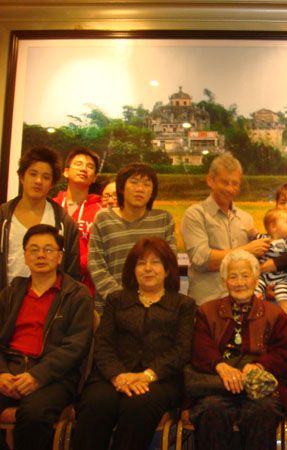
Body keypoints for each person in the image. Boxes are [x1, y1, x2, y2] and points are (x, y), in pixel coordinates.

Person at [72, 237, 196, 450]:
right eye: (141, 263)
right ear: (133, 269)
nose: (148, 269)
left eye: (155, 262)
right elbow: (102, 344)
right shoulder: (116, 300)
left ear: (167, 270)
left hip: (160, 380)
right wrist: (118, 375)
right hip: (112, 377)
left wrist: (146, 376)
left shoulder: (183, 304)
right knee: (96, 403)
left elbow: (182, 350)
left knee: (139, 404)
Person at [189, 249, 287, 450]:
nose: (239, 282)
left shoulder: (275, 314)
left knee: (262, 411)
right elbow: (200, 349)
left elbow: (284, 355)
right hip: (217, 386)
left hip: (259, 388)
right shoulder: (207, 311)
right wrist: (220, 366)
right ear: (224, 282)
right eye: (233, 277)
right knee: (212, 411)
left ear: (256, 279)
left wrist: (259, 366)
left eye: (245, 275)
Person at [0, 224, 93, 450]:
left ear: (60, 256)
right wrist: (1, 373)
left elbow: (75, 347)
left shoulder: (77, 295)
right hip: (9, 371)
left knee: (33, 414)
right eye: (34, 250)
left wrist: (37, 376)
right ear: (25, 256)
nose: (41, 255)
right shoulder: (10, 293)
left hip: (54, 377)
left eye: (48, 249)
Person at [181, 153, 270, 305]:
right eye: (225, 182)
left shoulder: (246, 218)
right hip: (208, 304)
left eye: (235, 183)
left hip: (243, 304)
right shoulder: (195, 214)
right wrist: (247, 250)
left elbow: (254, 264)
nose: (230, 189)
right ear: (210, 180)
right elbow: (201, 260)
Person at [88, 163, 176, 313]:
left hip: (155, 308)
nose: (140, 189)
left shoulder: (163, 219)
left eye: (147, 184)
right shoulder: (103, 218)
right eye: (134, 182)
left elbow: (169, 264)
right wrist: (122, 300)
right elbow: (96, 264)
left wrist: (150, 301)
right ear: (121, 188)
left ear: (152, 192)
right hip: (112, 307)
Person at [0, 147, 80, 289]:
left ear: (52, 184)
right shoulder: (3, 217)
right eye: (33, 174)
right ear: (22, 177)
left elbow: (72, 272)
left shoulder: (64, 223)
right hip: (7, 298)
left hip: (51, 299)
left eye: (46, 177)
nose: (38, 181)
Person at [53, 148, 103, 296]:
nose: (84, 169)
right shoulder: (51, 206)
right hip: (50, 285)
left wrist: (73, 267)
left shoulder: (101, 211)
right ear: (66, 172)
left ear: (94, 178)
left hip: (86, 289)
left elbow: (100, 250)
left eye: (90, 166)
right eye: (78, 164)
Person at [254, 208, 287, 317]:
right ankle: (257, 310)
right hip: (262, 276)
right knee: (254, 290)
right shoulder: (263, 238)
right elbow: (253, 236)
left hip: (281, 278)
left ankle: (286, 317)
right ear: (273, 227)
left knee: (284, 297)